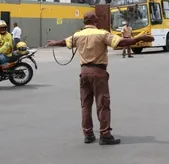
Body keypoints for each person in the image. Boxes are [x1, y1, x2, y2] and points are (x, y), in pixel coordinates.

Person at [46, 12, 154, 146]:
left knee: (85, 105)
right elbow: (121, 42)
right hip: (99, 73)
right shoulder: (102, 34)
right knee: (103, 104)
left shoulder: (78, 35)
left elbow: (65, 42)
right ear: (95, 21)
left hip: (84, 73)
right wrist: (139, 38)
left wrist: (54, 42)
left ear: (85, 22)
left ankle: (88, 134)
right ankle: (105, 135)